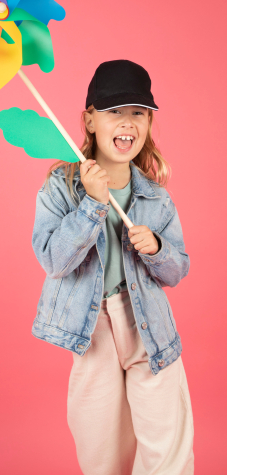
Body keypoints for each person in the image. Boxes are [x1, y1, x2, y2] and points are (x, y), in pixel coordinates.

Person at [31, 60, 194, 475]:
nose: (127, 122)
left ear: (149, 123)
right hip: (93, 329)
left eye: (138, 112)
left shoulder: (156, 197)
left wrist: (157, 248)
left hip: (148, 326)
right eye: (114, 111)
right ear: (89, 120)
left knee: (165, 442)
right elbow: (54, 261)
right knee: (101, 447)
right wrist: (92, 203)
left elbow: (177, 271)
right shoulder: (61, 188)